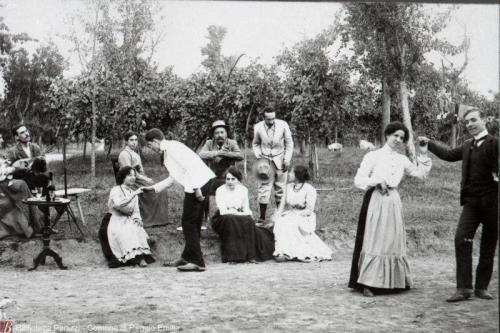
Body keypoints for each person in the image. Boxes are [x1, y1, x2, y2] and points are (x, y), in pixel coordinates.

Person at [419, 108, 498, 302]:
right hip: (470, 203)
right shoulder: (466, 145)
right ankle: (464, 288)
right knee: (461, 239)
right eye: (467, 122)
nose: (470, 124)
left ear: (484, 121)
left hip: (493, 203)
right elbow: (447, 155)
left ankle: (482, 288)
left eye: (473, 120)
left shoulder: (495, 143)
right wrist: (429, 144)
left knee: (488, 245)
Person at [349, 121, 431, 297]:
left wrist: (423, 153)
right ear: (387, 135)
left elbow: (421, 174)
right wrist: (376, 180)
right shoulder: (373, 156)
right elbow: (359, 180)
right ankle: (368, 283)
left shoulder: (402, 159)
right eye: (395, 135)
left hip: (393, 201)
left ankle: (394, 281)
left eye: (402, 138)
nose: (398, 140)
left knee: (392, 240)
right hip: (376, 199)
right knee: (375, 239)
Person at [143, 128, 215, 272]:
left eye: (150, 146)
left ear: (156, 141)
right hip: (199, 183)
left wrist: (196, 189)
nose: (151, 149)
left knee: (188, 223)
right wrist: (154, 188)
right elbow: (173, 177)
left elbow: (190, 167)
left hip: (198, 184)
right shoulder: (169, 150)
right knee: (192, 223)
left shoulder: (172, 148)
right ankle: (187, 257)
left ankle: (197, 262)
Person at [211, 166, 274, 263]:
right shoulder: (220, 190)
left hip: (237, 215)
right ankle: (233, 256)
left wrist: (244, 214)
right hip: (222, 218)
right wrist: (239, 213)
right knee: (231, 219)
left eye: (233, 179)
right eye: (228, 179)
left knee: (248, 220)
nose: (230, 181)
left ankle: (250, 256)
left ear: (238, 180)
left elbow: (247, 209)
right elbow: (223, 211)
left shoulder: (243, 190)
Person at [272, 165, 332, 262]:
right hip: (291, 213)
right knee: (281, 221)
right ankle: (283, 252)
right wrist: (277, 215)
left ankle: (300, 253)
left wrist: (297, 214)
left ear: (297, 175)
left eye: (291, 172)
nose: (289, 174)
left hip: (304, 216)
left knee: (291, 222)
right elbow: (282, 205)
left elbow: (309, 210)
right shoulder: (288, 187)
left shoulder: (309, 189)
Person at [106, 166, 154, 268]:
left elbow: (136, 210)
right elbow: (118, 204)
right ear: (123, 177)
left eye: (134, 176)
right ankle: (133, 259)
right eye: (129, 175)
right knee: (125, 232)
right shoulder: (115, 190)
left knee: (137, 228)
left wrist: (137, 219)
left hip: (128, 219)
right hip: (116, 219)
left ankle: (140, 258)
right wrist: (134, 194)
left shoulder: (133, 193)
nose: (133, 178)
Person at [118, 131, 169, 227]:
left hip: (138, 179)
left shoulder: (133, 152)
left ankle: (159, 219)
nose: (134, 142)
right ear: (126, 142)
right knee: (160, 191)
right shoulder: (124, 154)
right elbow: (128, 172)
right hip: (132, 182)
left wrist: (144, 178)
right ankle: (150, 219)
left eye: (136, 140)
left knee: (162, 189)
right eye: (131, 140)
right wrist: (144, 179)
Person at [252, 107, 293, 224]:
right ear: (263, 117)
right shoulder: (258, 127)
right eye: (268, 119)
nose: (271, 122)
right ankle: (262, 217)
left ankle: (279, 216)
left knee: (280, 188)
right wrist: (259, 156)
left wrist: (287, 159)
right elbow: (255, 144)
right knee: (263, 189)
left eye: (273, 119)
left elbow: (289, 143)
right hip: (265, 162)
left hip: (280, 160)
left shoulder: (283, 125)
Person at [199, 120, 243, 221]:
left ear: (226, 133)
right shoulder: (209, 143)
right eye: (217, 133)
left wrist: (225, 154)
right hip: (212, 176)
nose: (219, 135)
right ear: (213, 135)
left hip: (227, 177)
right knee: (202, 190)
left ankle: (232, 213)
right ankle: (206, 216)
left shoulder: (232, 143)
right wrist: (218, 152)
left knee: (236, 191)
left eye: (222, 132)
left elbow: (240, 155)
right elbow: (201, 154)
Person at [0, 158, 42, 239]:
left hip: (6, 182)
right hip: (3, 185)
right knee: (21, 186)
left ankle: (34, 222)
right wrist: (11, 169)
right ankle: (28, 226)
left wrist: (9, 166)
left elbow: (5, 167)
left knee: (23, 184)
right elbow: (4, 171)